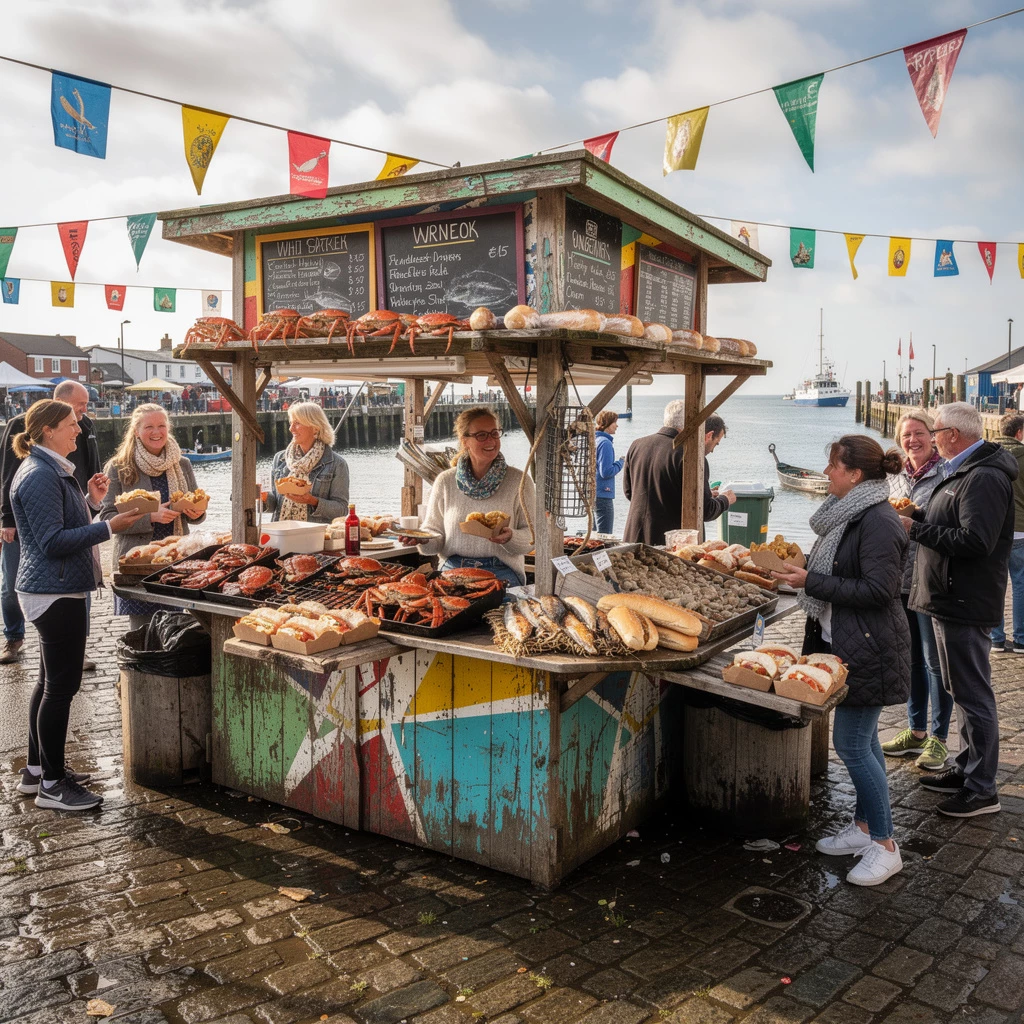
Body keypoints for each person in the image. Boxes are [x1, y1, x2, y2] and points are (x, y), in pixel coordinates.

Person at [773, 436, 910, 886]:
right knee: (865, 742)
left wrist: (810, 581)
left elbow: (879, 590)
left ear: (854, 474)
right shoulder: (849, 513)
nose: (827, 472)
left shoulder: (878, 520)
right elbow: (843, 569)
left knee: (851, 745)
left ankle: (885, 846)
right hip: (846, 644)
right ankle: (864, 827)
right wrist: (804, 570)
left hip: (870, 647)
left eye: (833, 465)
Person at [10, 400, 143, 810]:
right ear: (48, 431)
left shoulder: (48, 469)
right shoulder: (40, 474)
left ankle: (37, 770)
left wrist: (91, 500)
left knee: (48, 682)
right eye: (71, 424)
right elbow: (52, 542)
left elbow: (60, 522)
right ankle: (53, 786)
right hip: (54, 591)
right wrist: (108, 526)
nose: (79, 431)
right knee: (61, 688)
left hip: (54, 587)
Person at [905, 402, 1018, 817]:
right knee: (959, 690)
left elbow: (976, 540)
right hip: (949, 597)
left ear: (953, 434)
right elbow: (954, 519)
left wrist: (916, 529)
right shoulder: (965, 469)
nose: (932, 439)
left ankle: (982, 790)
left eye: (935, 431)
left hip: (965, 600)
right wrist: (920, 513)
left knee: (973, 694)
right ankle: (967, 768)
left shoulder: (984, 476)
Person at [0, 381, 101, 667]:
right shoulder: (22, 427)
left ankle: (76, 647)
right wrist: (7, 518)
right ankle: (14, 637)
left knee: (79, 583)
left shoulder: (85, 426)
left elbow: (91, 464)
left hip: (72, 508)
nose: (84, 411)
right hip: (28, 513)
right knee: (12, 583)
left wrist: (91, 500)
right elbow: (8, 473)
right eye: (80, 405)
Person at [881, 411, 953, 770]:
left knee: (935, 661)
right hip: (899, 579)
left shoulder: (948, 473)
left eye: (920, 433)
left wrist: (920, 517)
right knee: (910, 659)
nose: (913, 440)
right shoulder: (892, 477)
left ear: (933, 436)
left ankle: (939, 739)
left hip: (930, 579)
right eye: (907, 435)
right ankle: (916, 731)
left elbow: (956, 525)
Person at [100, 404, 206, 631]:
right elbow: (107, 517)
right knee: (143, 632)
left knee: (174, 628)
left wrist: (197, 513)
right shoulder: (119, 467)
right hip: (137, 562)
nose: (156, 432)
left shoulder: (182, 464)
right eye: (149, 427)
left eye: (161, 426)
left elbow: (195, 506)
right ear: (136, 431)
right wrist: (150, 518)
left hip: (175, 559)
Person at [417, 406, 536, 592]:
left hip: (501, 571)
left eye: (494, 433)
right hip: (452, 570)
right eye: (481, 435)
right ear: (465, 441)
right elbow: (434, 536)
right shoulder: (445, 481)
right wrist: (421, 539)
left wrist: (510, 537)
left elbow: (532, 536)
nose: (491, 440)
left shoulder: (520, 482)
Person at [621, 401, 736, 545]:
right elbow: (705, 511)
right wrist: (725, 499)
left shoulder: (637, 445)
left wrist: (698, 496)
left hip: (633, 536)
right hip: (670, 543)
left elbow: (629, 492)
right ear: (690, 423)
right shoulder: (690, 455)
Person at [263, 401, 349, 524]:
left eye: (297, 423)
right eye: (291, 423)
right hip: (282, 531)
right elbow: (275, 504)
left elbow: (342, 510)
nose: (291, 428)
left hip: (315, 534)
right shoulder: (280, 458)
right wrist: (264, 497)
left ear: (315, 428)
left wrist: (312, 501)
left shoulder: (337, 464)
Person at [990, 413, 1024, 654]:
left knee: (994, 582)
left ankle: (996, 638)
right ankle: (1021, 639)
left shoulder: (988, 455)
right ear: (1019, 432)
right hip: (1021, 529)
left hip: (994, 527)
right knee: (1021, 583)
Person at [594, 410, 624, 534]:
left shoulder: (595, 440)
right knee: (604, 536)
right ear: (607, 424)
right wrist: (620, 462)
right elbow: (606, 472)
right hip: (603, 494)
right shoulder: (605, 443)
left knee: (594, 535)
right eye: (614, 422)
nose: (617, 425)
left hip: (594, 494)